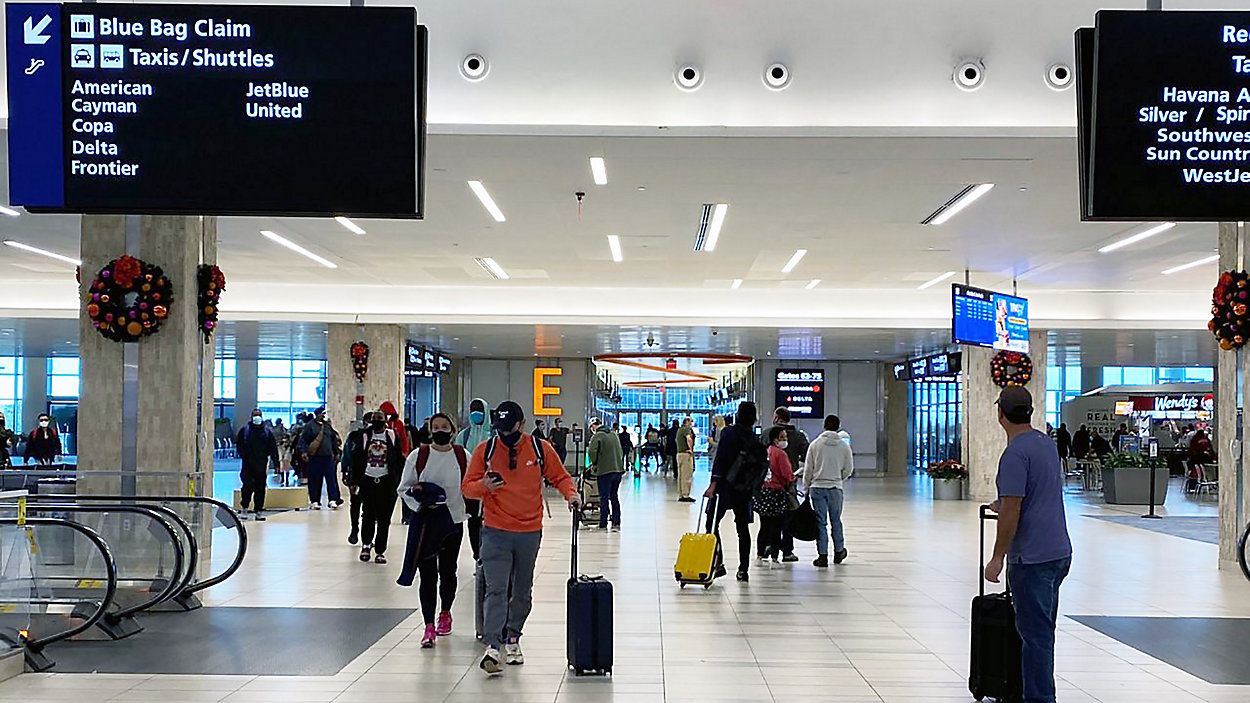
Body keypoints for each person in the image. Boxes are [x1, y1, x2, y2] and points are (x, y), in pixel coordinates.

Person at [462, 400, 580, 676]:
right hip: (494, 530)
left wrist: (571, 495)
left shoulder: (540, 449)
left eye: (509, 428)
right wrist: (484, 487)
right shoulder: (486, 450)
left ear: (522, 425)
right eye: (500, 429)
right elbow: (467, 487)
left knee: (522, 590)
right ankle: (493, 643)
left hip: (528, 531)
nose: (504, 434)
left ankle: (513, 636)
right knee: (496, 588)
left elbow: (559, 476)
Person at [984, 386, 1072, 703]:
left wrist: (996, 558)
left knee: (1035, 636)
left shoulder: (1014, 454)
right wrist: (1006, 501)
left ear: (1001, 415)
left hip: (1032, 558)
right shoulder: (1045, 444)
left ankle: (1040, 699)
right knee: (1042, 630)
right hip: (1059, 551)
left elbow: (1014, 509)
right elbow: (1031, 492)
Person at [397, 413, 467, 648]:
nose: (439, 430)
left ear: (452, 430)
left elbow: (469, 486)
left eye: (444, 426)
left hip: (453, 522)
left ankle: (445, 612)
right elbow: (404, 488)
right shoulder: (419, 456)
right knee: (427, 574)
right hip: (425, 523)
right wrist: (421, 504)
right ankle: (428, 626)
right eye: (435, 426)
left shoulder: (461, 456)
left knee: (448, 570)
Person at [704, 401, 766, 582]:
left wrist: (713, 484)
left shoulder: (729, 433)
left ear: (738, 415)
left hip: (724, 487)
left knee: (712, 524)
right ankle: (743, 569)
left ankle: (719, 562)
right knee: (742, 529)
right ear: (754, 418)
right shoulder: (755, 440)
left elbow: (721, 460)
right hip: (744, 490)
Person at [346, 409, 405, 564]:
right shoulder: (363, 436)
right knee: (368, 515)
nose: (377, 421)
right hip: (367, 480)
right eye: (374, 418)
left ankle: (380, 550)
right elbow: (356, 459)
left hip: (386, 482)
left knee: (385, 518)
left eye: (380, 418)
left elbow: (398, 460)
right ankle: (366, 545)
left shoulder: (392, 436)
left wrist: (398, 481)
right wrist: (353, 481)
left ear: (385, 420)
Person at [804, 414, 854, 567]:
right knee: (836, 520)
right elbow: (849, 469)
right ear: (838, 427)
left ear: (824, 426)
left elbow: (808, 469)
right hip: (835, 488)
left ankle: (822, 555)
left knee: (821, 522)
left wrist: (807, 486)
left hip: (817, 487)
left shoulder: (815, 445)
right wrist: (839, 479)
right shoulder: (844, 446)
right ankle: (839, 550)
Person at [457, 397, 493, 561]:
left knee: (491, 523)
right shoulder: (463, 436)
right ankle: (478, 556)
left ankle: (489, 555)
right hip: (470, 489)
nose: (476, 414)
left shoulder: (494, 435)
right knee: (473, 523)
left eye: (479, 411)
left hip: (492, 488)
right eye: (473, 411)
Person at [771, 407, 809, 562]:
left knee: (769, 517)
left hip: (770, 482)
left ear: (777, 417)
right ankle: (787, 551)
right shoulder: (799, 436)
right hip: (789, 482)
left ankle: (767, 547)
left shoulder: (768, 433)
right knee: (788, 516)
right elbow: (808, 455)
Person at [755, 426, 795, 566]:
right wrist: (792, 479)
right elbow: (787, 474)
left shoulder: (766, 451)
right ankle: (774, 557)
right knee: (777, 526)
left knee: (764, 525)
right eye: (782, 437)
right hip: (777, 493)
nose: (785, 440)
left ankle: (759, 556)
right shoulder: (780, 454)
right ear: (775, 439)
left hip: (764, 492)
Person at [236, 409, 280, 520]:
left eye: (259, 415)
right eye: (255, 415)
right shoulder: (245, 431)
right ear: (251, 417)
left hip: (261, 465)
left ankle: (258, 511)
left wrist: (276, 464)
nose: (257, 417)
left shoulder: (266, 432)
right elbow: (239, 446)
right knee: (247, 487)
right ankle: (244, 508)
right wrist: (244, 456)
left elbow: (273, 448)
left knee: (260, 489)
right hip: (247, 465)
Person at [298, 407, 342, 510]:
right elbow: (303, 440)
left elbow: (333, 440)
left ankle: (333, 499)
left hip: (328, 457)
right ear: (317, 414)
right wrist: (304, 452)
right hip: (315, 457)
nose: (323, 416)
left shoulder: (327, 426)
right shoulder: (310, 426)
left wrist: (336, 453)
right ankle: (314, 501)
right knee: (314, 480)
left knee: (331, 479)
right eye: (322, 414)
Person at [587, 417, 625, 530]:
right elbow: (620, 451)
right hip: (618, 471)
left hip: (605, 471)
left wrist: (594, 464)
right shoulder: (613, 434)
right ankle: (616, 522)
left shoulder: (597, 436)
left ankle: (603, 522)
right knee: (614, 496)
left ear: (593, 426)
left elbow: (592, 452)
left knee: (603, 497)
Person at [340, 419, 364, 544]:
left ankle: (361, 532)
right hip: (355, 476)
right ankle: (354, 529)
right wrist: (345, 471)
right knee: (355, 503)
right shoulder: (354, 437)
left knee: (360, 505)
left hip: (366, 477)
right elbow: (346, 454)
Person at [675, 416, 697, 502]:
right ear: (687, 422)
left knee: (681, 475)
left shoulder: (679, 430)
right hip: (685, 454)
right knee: (687, 475)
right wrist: (691, 450)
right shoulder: (687, 429)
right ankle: (685, 494)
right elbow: (689, 439)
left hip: (679, 453)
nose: (691, 423)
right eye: (691, 421)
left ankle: (681, 494)